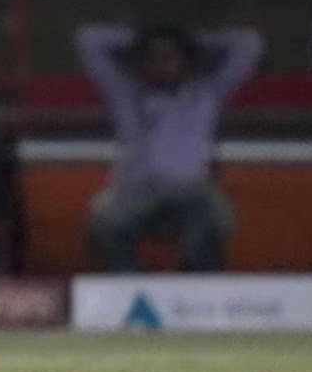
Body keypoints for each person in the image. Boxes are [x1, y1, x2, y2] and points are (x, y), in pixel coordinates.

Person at [76, 22, 264, 272]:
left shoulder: (205, 93)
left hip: (190, 192)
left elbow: (249, 43)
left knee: (218, 218)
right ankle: (129, 284)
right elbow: (88, 40)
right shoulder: (125, 92)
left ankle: (193, 285)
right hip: (133, 192)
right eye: (153, 58)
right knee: (102, 221)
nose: (161, 64)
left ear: (184, 62)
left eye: (169, 57)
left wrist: (194, 40)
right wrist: (141, 38)